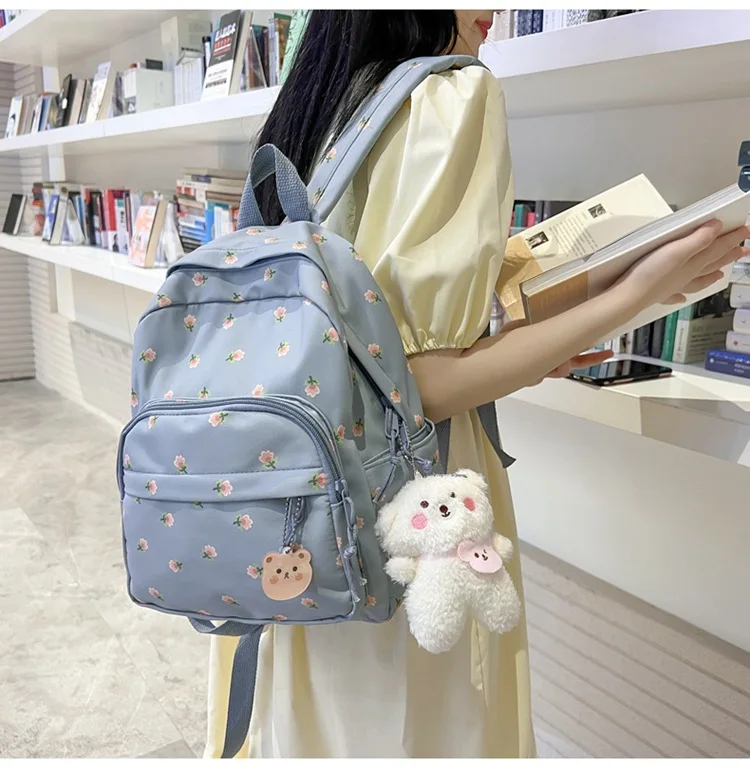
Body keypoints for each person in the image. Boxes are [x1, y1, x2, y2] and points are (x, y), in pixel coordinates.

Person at [204, 11, 750, 758]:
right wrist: (632, 295)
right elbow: (425, 385)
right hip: (406, 502)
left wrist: (523, 343)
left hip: (288, 499)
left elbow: (365, 344)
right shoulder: (452, 92)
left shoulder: (318, 102)